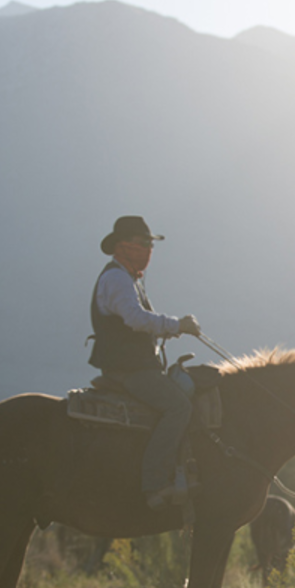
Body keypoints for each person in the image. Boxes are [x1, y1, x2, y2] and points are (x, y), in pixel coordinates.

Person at [89, 215, 202, 509]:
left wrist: (168, 330)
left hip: (133, 364)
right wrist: (177, 326)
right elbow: (136, 319)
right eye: (142, 244)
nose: (148, 250)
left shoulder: (127, 278)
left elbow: (138, 323)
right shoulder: (115, 279)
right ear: (123, 246)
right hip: (129, 370)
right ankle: (155, 483)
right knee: (179, 406)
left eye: (150, 245)